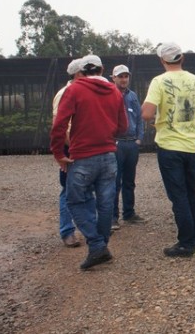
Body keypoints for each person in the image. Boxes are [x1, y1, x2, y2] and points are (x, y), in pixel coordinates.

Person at [50, 55, 127, 270]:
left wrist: (58, 153)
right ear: (102, 69)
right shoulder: (114, 91)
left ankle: (96, 244)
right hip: (108, 155)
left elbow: (59, 125)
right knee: (105, 204)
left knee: (74, 201)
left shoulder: (73, 90)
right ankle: (99, 247)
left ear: (82, 71)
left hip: (82, 156)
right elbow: (123, 127)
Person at [141, 43, 195, 258]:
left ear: (162, 61)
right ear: (182, 58)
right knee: (191, 191)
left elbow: (146, 113)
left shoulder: (159, 81)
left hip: (170, 146)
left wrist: (156, 121)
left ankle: (186, 243)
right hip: (192, 147)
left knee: (178, 195)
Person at [52, 58, 84, 248]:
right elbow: (60, 125)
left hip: (82, 146)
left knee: (86, 189)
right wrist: (71, 148)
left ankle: (88, 228)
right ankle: (67, 231)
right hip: (71, 148)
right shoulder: (64, 93)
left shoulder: (81, 91)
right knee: (68, 190)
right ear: (78, 74)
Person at [111, 64, 146, 229]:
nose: (124, 79)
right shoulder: (109, 94)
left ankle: (129, 213)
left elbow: (139, 118)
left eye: (126, 76)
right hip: (116, 143)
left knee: (129, 181)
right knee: (114, 181)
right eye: (120, 76)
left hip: (131, 143)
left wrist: (139, 138)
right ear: (114, 78)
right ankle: (112, 217)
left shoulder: (132, 96)